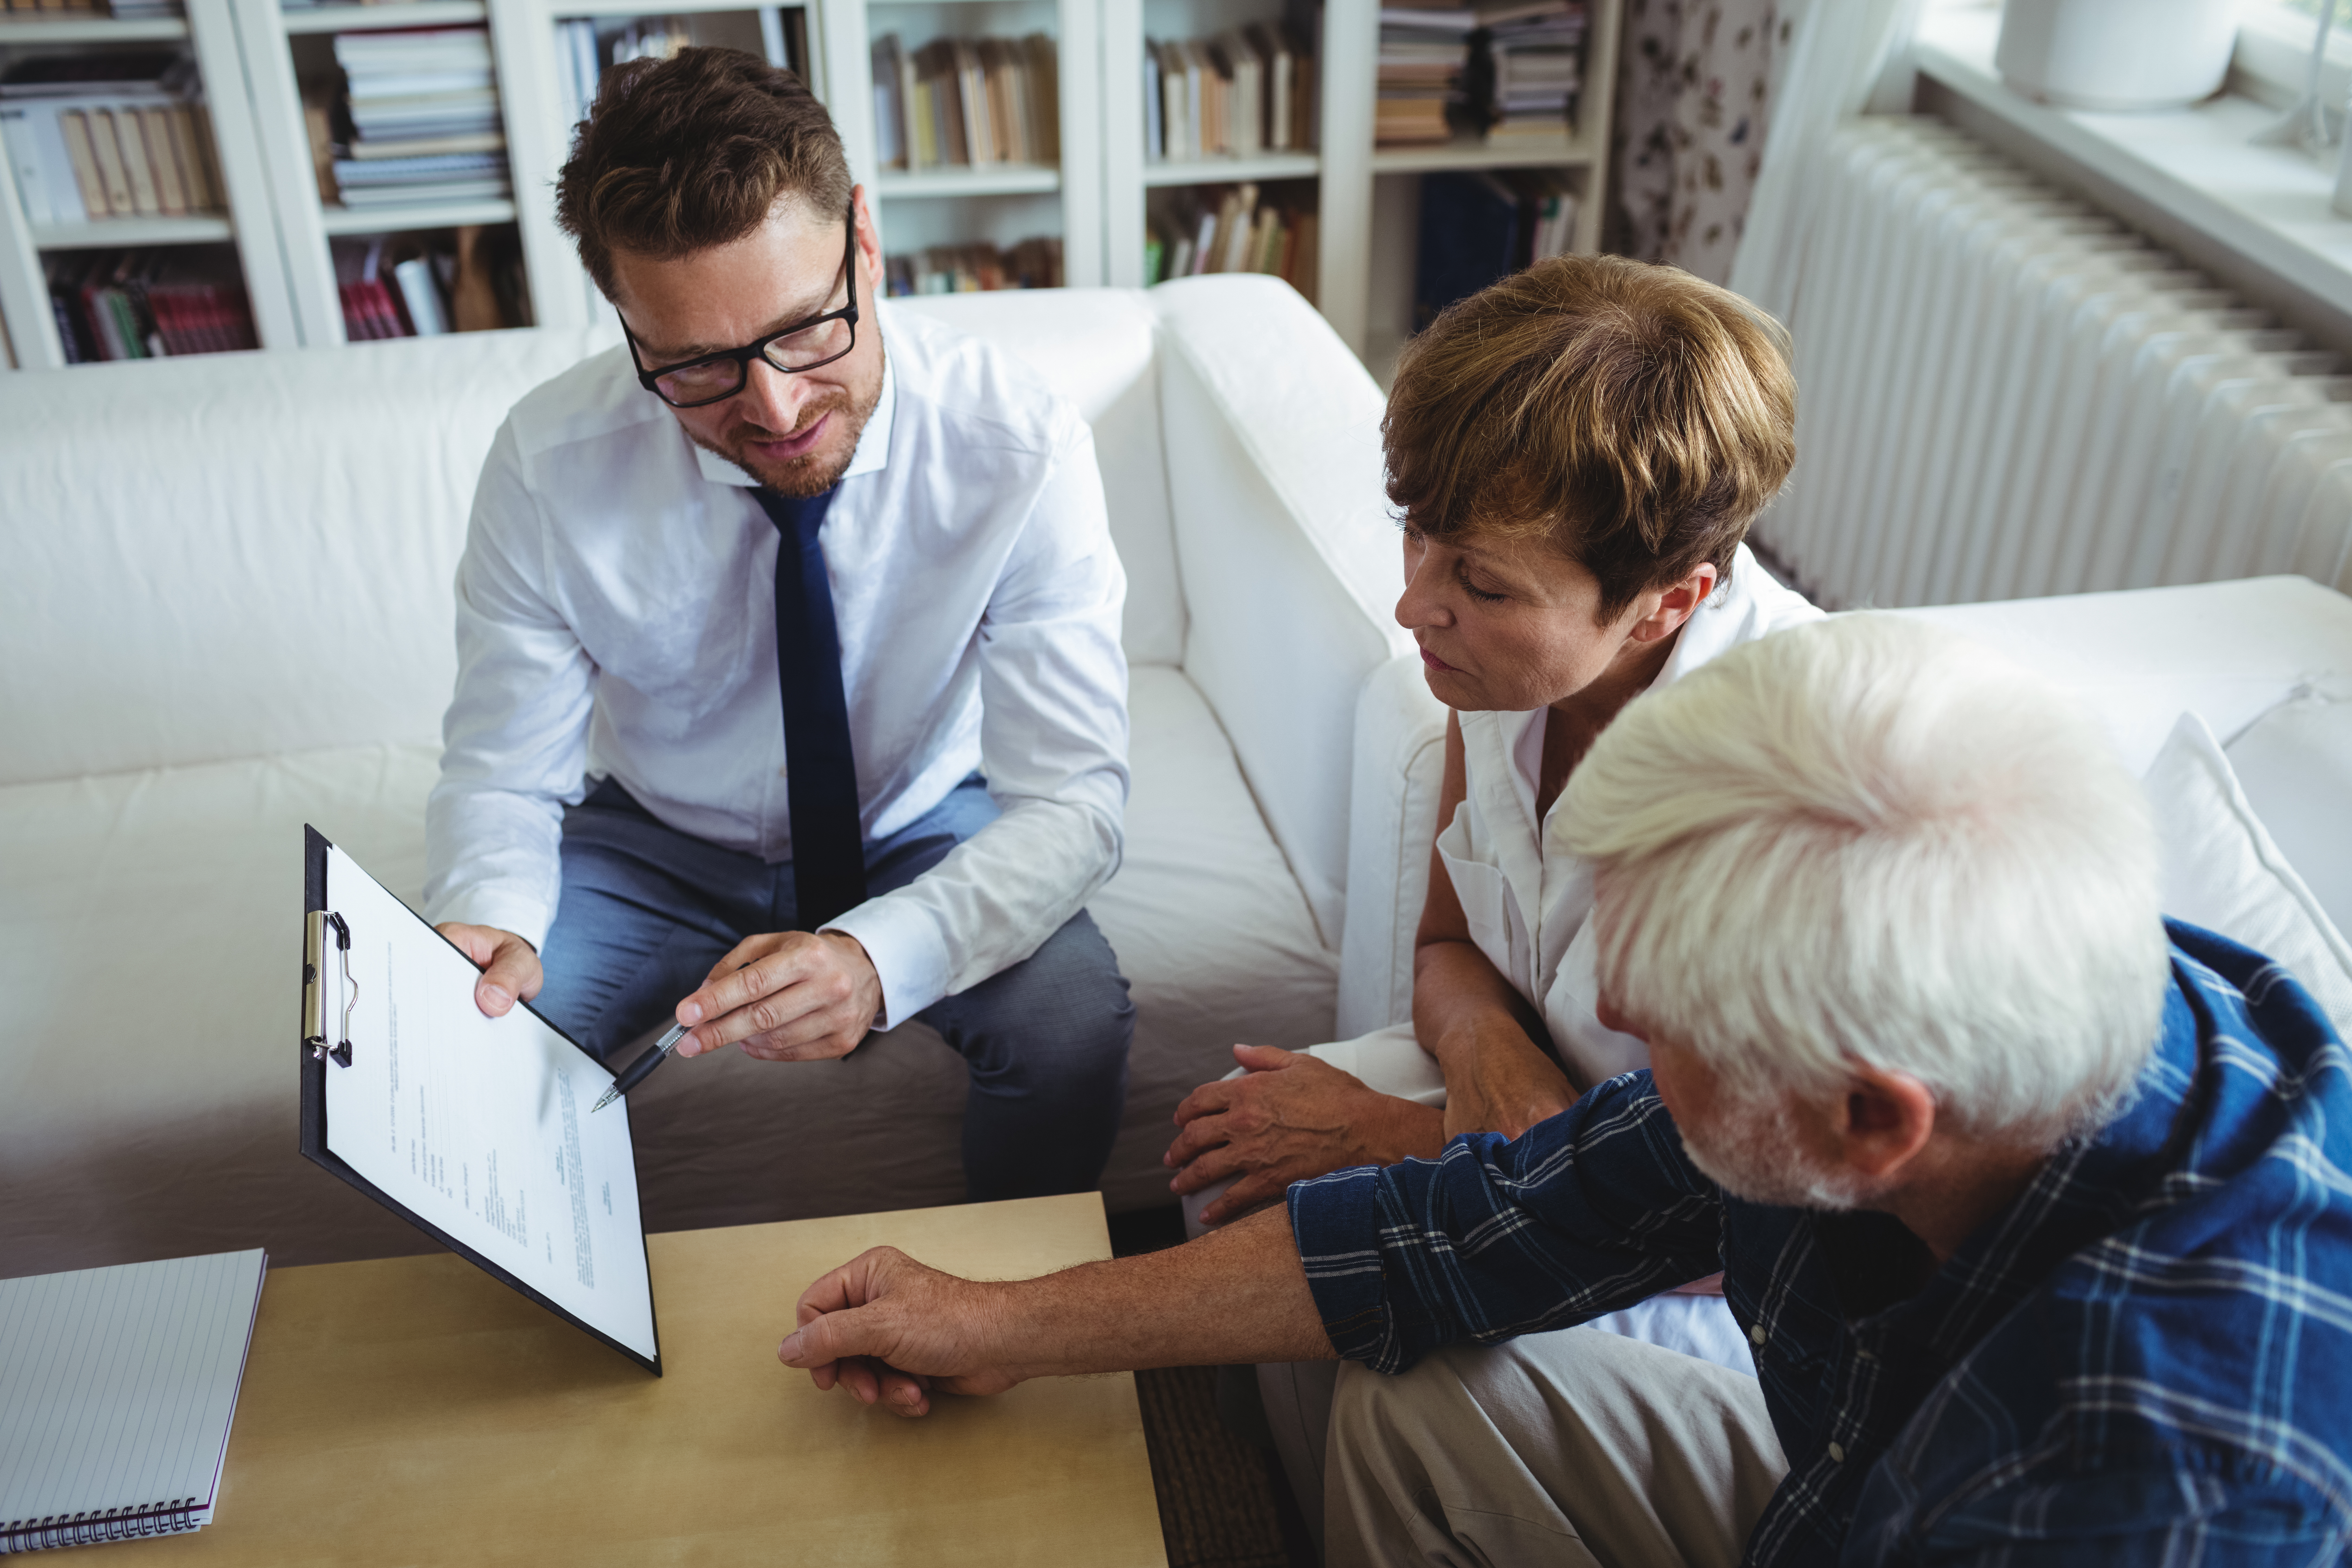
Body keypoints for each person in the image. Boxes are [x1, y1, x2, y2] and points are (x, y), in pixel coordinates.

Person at [772, 613, 2352, 1566]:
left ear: (1875, 1121)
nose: (1599, 1020)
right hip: (1842, 1483)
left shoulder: (2168, 1487)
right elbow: (1465, 1231)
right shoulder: (2004, 975)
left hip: (1979, 1503)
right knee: (1418, 1414)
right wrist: (995, 1321)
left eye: (1659, 1030)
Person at [420, 48, 1135, 1201]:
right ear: (625, 321)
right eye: (697, 365)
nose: (776, 406)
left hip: (919, 818)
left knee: (1069, 1028)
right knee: (465, 1047)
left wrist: (874, 956)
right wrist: (487, 916)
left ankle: (1002, 1319)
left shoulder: (1020, 443)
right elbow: (503, 775)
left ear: (864, 237)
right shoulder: (547, 464)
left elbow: (1075, 803)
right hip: (655, 842)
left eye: (806, 329)